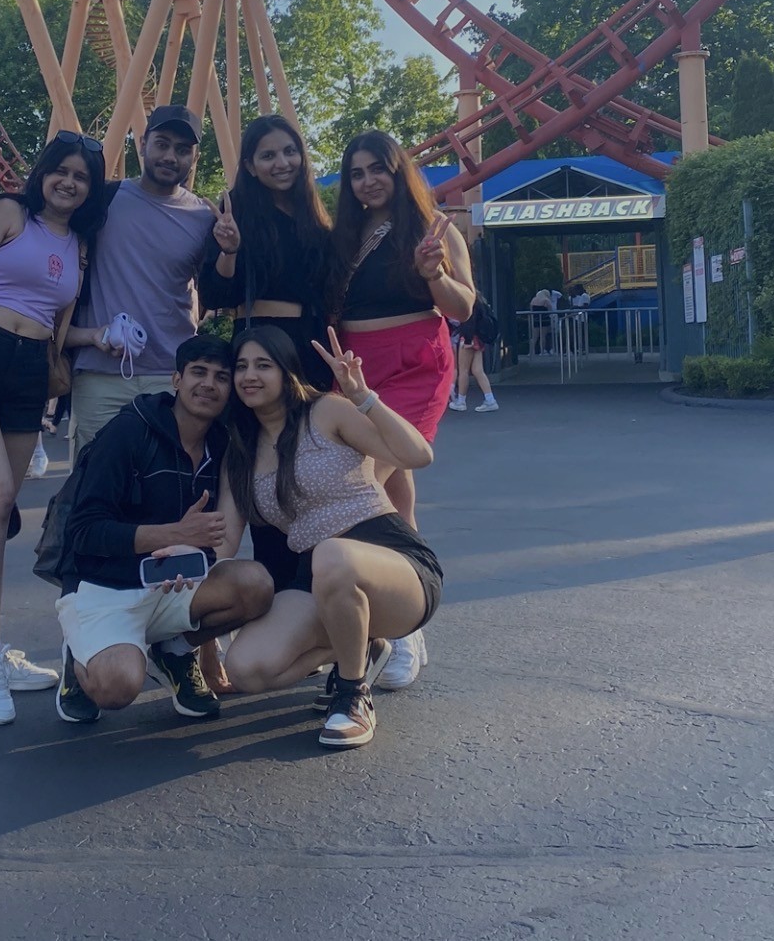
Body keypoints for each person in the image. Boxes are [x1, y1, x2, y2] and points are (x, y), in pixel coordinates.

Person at [0, 131, 115, 726]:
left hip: (31, 366)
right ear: (42, 173)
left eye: (81, 177)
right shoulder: (8, 212)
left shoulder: (79, 244)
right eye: (61, 170)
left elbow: (54, 325)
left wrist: (99, 337)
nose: (69, 182)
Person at [220, 326, 443, 750]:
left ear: (286, 371)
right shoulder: (240, 453)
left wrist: (363, 397)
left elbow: (417, 455)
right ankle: (362, 644)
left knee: (332, 555)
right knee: (247, 668)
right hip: (317, 576)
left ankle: (352, 694)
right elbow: (223, 543)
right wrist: (176, 552)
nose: (250, 375)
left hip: (392, 561)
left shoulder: (326, 411)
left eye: (263, 365)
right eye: (241, 366)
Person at [54, 335, 273, 725]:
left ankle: (174, 651)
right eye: (198, 372)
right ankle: (80, 655)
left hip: (172, 583)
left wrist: (190, 553)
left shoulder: (222, 444)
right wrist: (175, 535)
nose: (209, 384)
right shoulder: (128, 431)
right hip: (105, 587)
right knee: (117, 686)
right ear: (176, 379)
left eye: (221, 377)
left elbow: (216, 537)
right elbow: (83, 532)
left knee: (255, 585)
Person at [332, 131, 474, 689]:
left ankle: (398, 624)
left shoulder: (433, 228)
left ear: (398, 171)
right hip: (354, 368)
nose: (368, 181)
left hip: (416, 365)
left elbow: (464, 307)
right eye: (357, 173)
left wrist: (433, 273)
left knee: (363, 483)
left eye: (378, 169)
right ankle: (407, 614)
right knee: (393, 494)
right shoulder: (343, 235)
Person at [199, 113, 335, 595]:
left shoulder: (313, 216)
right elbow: (215, 292)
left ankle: (317, 581)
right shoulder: (236, 213)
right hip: (261, 341)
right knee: (266, 458)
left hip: (309, 348)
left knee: (310, 462)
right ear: (251, 165)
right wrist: (229, 250)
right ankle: (276, 583)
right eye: (269, 155)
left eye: (290, 151)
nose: (282, 162)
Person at [68, 104, 215, 469]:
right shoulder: (102, 199)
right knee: (93, 482)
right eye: (162, 144)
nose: (170, 156)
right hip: (100, 374)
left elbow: (216, 292)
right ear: (142, 144)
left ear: (194, 158)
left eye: (182, 149)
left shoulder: (204, 218)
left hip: (171, 375)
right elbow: (45, 227)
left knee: (166, 483)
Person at [449, 296, 499, 413]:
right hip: (478, 338)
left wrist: (467, 339)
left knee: (464, 371)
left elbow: (468, 321)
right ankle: (490, 399)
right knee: (478, 370)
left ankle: (461, 401)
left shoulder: (468, 300)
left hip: (468, 338)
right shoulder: (480, 301)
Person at [528, 288, 553, 355]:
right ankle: (542, 351)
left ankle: (531, 351)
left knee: (534, 337)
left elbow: (531, 310)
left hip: (535, 320)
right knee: (543, 336)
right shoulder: (546, 300)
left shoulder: (533, 300)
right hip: (545, 320)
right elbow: (550, 310)